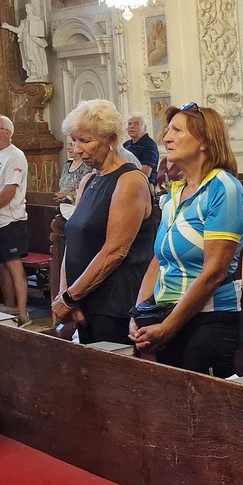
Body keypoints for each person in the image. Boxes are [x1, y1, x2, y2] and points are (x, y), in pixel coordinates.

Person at [131, 105, 243, 376]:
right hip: (166, 314)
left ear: (204, 141)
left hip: (207, 321)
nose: (166, 138)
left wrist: (169, 327)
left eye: (177, 130)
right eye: (168, 130)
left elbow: (214, 272)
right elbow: (157, 262)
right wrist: (138, 313)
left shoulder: (223, 188)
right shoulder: (175, 193)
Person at [53, 100, 153, 344]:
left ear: (111, 139)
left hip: (114, 304)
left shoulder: (129, 180)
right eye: (74, 140)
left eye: (85, 141)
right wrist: (66, 294)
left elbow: (115, 252)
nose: (77, 149)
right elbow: (73, 241)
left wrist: (70, 297)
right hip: (82, 298)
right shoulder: (88, 180)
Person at [0, 115, 31, 324]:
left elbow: (9, 191)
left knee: (13, 265)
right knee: (1, 265)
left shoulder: (15, 156)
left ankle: (23, 312)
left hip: (10, 220)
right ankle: (9, 307)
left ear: (8, 132)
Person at [122, 112, 159, 180]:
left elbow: (144, 173)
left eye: (136, 124)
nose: (132, 126)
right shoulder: (125, 145)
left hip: (142, 183)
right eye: (129, 124)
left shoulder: (150, 145)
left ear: (144, 127)